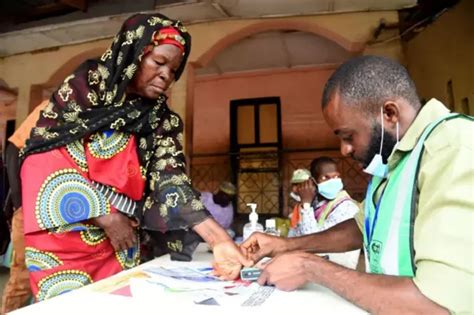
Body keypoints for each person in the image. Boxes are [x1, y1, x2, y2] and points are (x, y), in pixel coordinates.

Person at [19, 13, 251, 302]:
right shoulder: (86, 89)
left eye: (174, 70)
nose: (167, 75)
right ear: (134, 55)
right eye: (159, 62)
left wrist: (221, 241)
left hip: (124, 244)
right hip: (66, 238)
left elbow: (172, 182)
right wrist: (104, 215)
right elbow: (41, 155)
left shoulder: (158, 118)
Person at [241, 56, 473, 314]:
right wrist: (286, 246)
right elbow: (362, 229)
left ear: (389, 113)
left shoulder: (454, 148)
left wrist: (310, 266)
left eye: (349, 136)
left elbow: (436, 305)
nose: (345, 150)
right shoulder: (393, 161)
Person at [1, 100, 48, 314]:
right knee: (22, 280)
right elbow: (14, 149)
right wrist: (21, 205)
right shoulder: (55, 106)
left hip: (71, 215)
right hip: (32, 208)